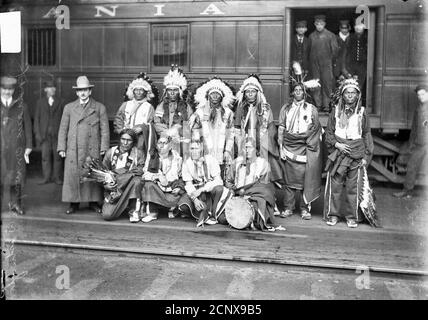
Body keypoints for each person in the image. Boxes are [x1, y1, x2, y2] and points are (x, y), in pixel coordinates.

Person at [323, 79, 373, 228]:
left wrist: (366, 156)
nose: (350, 95)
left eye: (353, 93)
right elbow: (329, 133)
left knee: (353, 187)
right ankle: (333, 215)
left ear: (357, 95)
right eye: (347, 93)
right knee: (336, 186)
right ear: (343, 95)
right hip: (339, 153)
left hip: (356, 153)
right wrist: (338, 145)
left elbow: (366, 135)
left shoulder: (362, 113)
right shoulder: (336, 112)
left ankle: (352, 217)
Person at [57, 76, 110, 214]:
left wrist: (104, 147)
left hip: (91, 147)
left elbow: (104, 130)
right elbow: (63, 129)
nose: (82, 93)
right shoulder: (69, 108)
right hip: (73, 149)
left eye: (85, 90)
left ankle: (93, 202)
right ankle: (74, 203)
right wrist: (62, 147)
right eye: (80, 90)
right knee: (73, 175)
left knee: (92, 174)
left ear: (90, 91)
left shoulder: (99, 108)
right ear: (76, 92)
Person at [277, 80, 322, 220]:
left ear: (304, 92)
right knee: (289, 181)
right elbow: (281, 129)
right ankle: (288, 207)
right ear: (292, 92)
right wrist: (281, 149)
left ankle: (304, 208)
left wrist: (312, 147)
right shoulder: (286, 108)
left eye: (300, 90)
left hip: (305, 147)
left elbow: (317, 130)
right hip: (289, 146)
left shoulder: (311, 109)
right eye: (295, 90)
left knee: (306, 180)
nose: (298, 92)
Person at [225, 138, 281, 231]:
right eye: (244, 148)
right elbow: (228, 181)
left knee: (258, 204)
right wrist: (233, 190)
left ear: (256, 149)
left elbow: (264, 187)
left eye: (249, 147)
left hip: (255, 196)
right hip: (238, 195)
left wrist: (248, 194)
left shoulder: (263, 164)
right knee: (224, 217)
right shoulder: (237, 162)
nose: (247, 150)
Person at [140, 131, 193, 223]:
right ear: (156, 145)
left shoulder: (177, 158)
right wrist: (157, 176)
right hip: (157, 187)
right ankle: (153, 213)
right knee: (148, 185)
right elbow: (145, 174)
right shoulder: (152, 156)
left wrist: (179, 187)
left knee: (176, 196)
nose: (162, 145)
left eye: (165, 143)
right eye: (160, 143)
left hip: (171, 188)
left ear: (170, 146)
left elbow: (181, 175)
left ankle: (172, 209)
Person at [189, 77, 235, 175]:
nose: (214, 96)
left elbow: (230, 134)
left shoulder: (227, 113)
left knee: (220, 175)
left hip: (221, 149)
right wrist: (198, 150)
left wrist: (227, 150)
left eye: (217, 94)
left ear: (222, 97)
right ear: (208, 96)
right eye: (212, 94)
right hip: (205, 149)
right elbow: (195, 132)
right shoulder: (200, 112)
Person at [1, 75, 32, 215]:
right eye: (4, 89)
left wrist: (29, 146)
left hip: (17, 148)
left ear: (13, 91)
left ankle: (16, 203)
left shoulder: (21, 106)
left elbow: (28, 128)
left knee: (17, 177)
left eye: (10, 89)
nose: (7, 92)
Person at [99, 129, 144, 222]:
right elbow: (102, 173)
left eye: (129, 140)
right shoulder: (110, 152)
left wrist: (123, 175)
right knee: (107, 215)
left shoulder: (138, 153)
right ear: (119, 139)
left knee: (137, 180)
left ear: (133, 141)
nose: (125, 143)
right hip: (115, 190)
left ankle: (133, 211)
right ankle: (120, 206)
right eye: (123, 139)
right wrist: (106, 185)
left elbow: (141, 171)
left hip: (130, 187)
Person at [181, 139, 229, 227]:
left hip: (210, 192)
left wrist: (203, 189)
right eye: (192, 148)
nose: (194, 151)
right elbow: (189, 184)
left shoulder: (211, 160)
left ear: (202, 150)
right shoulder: (187, 163)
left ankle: (213, 214)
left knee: (219, 189)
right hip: (197, 192)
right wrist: (195, 199)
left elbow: (218, 181)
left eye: (196, 148)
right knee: (184, 206)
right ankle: (200, 211)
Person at [393, 85, 428, 198]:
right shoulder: (419, 108)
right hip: (420, 143)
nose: (420, 97)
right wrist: (411, 143)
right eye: (418, 95)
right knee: (412, 166)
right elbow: (414, 128)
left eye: (423, 94)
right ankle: (407, 191)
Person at [114, 74, 157, 153]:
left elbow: (152, 123)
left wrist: (142, 128)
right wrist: (123, 131)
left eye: (141, 90)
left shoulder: (149, 107)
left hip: (140, 138)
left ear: (145, 92)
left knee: (139, 157)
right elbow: (118, 119)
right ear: (132, 91)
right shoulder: (126, 104)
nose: (138, 92)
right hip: (126, 137)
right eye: (136, 90)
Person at [154, 65, 192, 155]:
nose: (172, 92)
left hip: (180, 139)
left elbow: (190, 123)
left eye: (175, 90)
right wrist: (167, 132)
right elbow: (157, 123)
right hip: (164, 139)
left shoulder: (186, 107)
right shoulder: (161, 106)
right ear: (166, 92)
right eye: (169, 90)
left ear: (179, 92)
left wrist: (178, 131)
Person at [34, 79, 64, 185]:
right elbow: (36, 119)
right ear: (46, 89)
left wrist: (63, 135)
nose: (53, 90)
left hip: (57, 135)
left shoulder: (60, 101)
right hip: (44, 135)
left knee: (58, 157)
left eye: (54, 87)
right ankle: (46, 177)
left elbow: (63, 119)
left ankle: (57, 178)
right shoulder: (40, 102)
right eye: (51, 88)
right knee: (45, 157)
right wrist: (37, 134)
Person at [308, 14, 339, 112]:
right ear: (314, 24)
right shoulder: (311, 36)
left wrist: (330, 62)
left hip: (327, 64)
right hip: (314, 64)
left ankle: (326, 105)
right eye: (317, 24)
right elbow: (308, 51)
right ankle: (318, 105)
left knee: (327, 84)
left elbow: (335, 51)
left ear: (324, 24)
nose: (319, 26)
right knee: (316, 84)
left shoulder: (330, 35)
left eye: (321, 24)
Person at [342, 20, 368, 102]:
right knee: (350, 86)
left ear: (364, 27)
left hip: (362, 66)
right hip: (351, 66)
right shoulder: (349, 38)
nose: (358, 28)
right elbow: (344, 54)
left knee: (360, 87)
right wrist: (344, 69)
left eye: (360, 26)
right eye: (357, 26)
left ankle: (359, 105)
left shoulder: (367, 38)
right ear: (354, 27)